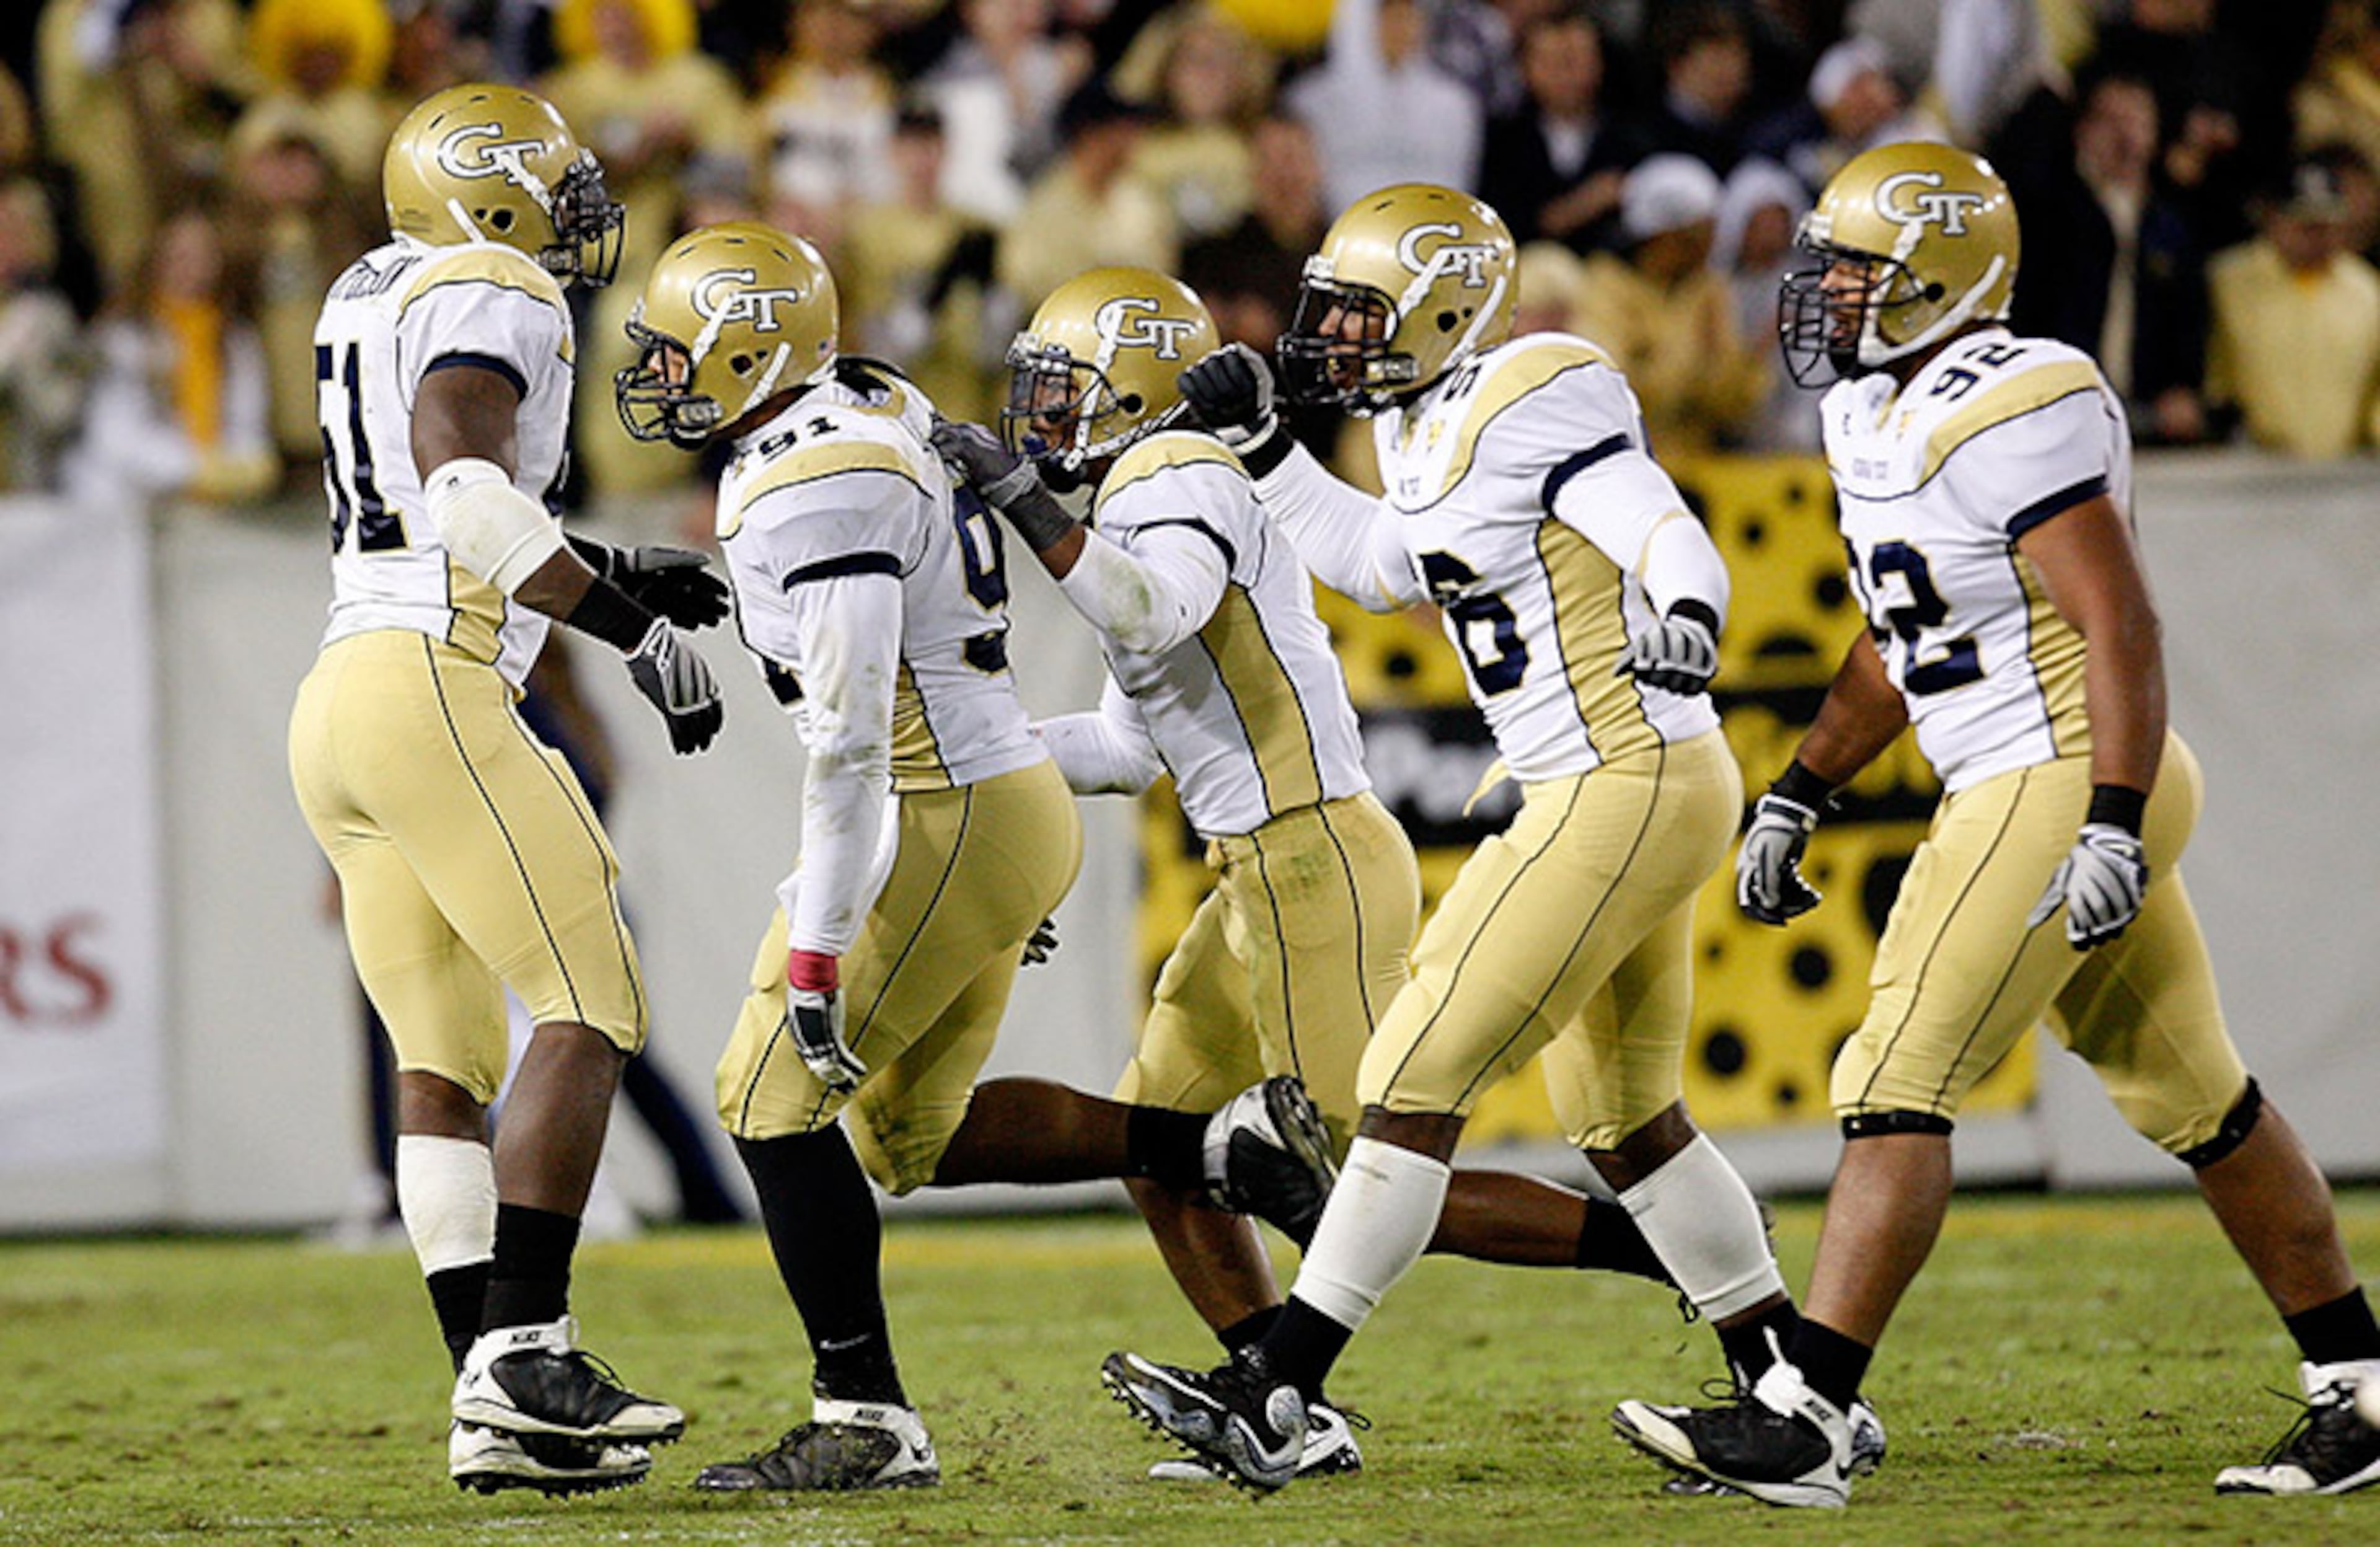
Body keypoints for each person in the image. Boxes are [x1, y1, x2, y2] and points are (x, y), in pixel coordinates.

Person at [1609, 141, 2380, 1506]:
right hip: (2028, 773)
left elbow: (2117, 617)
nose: (1829, 295)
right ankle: (2363, 1385)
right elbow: (1904, 637)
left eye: (1859, 271)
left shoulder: (2024, 394)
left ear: (1945, 279)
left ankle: (1810, 1417)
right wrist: (1802, 786)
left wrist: (2112, 818)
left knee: (1894, 1076)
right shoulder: (1871, 412)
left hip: (2059, 772)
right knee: (2196, 1095)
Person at [933, 264, 1724, 1483]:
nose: (1039, 413)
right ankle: (1279, 1397)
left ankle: (1678, 1256)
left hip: (1315, 862)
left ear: (1136, 388)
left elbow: (1151, 613)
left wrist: (1025, 503)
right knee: (1165, 1144)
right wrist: (972, 765)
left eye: (1066, 386)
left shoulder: (1176, 472)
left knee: (1372, 1174)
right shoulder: (1135, 497)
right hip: (1255, 872)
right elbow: (1127, 747)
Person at [1097, 182, 1822, 1494]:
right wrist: (1268, 446)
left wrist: (1691, 608)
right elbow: (1383, 565)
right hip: (1616, 782)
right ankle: (1793, 1392)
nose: (1339, 337)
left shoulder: (1534, 389)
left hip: (1619, 774)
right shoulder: (1420, 425)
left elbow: (1658, 521)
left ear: (1444, 311)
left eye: (1364, 313)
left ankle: (1278, 1393)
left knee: (1411, 1078)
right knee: (1623, 1119)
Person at [611, 223, 1332, 1494]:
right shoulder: (862, 404)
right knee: (906, 1138)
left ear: (749, 349)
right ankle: (1216, 1151)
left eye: (679, 349)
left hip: (941, 808)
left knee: (764, 1095)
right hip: (980, 804)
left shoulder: (819, 477)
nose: (660, 375)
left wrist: (822, 944)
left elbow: (850, 741)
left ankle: (865, 1417)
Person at [286, 82, 727, 1497]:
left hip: (340, 691)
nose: (577, 212)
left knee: (442, 1065)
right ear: (488, 194)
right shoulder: (494, 280)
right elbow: (464, 487)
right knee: (596, 999)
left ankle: (491, 1407)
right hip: (436, 678)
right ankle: (528, 1347)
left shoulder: (370, 282)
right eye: (555, 185)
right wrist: (629, 629)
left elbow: (435, 495)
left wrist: (607, 561)